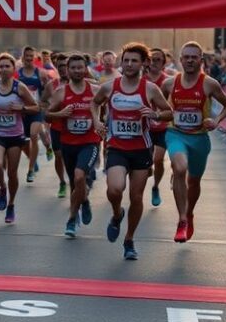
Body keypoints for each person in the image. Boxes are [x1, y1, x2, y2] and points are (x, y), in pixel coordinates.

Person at [92, 43, 173, 259]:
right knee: (114, 190)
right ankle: (117, 214)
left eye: (134, 61)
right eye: (126, 60)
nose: (129, 64)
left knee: (136, 197)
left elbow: (168, 112)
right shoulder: (110, 86)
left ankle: (129, 240)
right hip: (117, 146)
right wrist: (96, 122)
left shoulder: (150, 89)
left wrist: (155, 115)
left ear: (143, 63)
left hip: (141, 149)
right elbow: (95, 102)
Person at [162, 41, 226, 243]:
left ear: (201, 60)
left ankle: (190, 213)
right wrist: (157, 116)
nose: (190, 60)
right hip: (175, 134)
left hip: (200, 139)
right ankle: (182, 220)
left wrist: (216, 120)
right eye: (187, 57)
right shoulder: (169, 83)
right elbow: (158, 106)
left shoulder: (209, 84)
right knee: (179, 167)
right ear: (181, 60)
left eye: (195, 57)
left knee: (193, 181)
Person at [47, 53, 102, 239]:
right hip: (68, 143)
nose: (77, 71)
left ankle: (71, 219)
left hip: (90, 142)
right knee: (74, 184)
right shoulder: (61, 92)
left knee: (80, 177)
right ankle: (84, 200)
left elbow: (107, 109)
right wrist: (60, 113)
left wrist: (102, 123)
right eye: (74, 68)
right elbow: (47, 115)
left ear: (85, 69)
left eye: (80, 67)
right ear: (67, 70)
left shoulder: (95, 90)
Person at [0, 53, 38, 224]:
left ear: (14, 69)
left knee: (12, 173)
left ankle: (11, 204)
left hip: (15, 136)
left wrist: (22, 108)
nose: (4, 69)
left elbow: (36, 108)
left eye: (8, 66)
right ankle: (2, 187)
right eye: (1, 66)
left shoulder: (19, 88)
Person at [17, 45, 53, 182]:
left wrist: (45, 104)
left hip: (36, 110)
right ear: (23, 57)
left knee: (34, 135)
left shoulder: (41, 73)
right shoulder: (17, 73)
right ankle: (35, 156)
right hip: (22, 111)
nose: (28, 58)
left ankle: (30, 170)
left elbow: (47, 90)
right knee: (24, 142)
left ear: (34, 58)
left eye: (31, 56)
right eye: (26, 56)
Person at [146, 47, 170, 207]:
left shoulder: (168, 81)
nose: (154, 62)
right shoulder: (140, 79)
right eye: (151, 59)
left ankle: (155, 187)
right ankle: (148, 170)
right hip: (143, 127)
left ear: (163, 63)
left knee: (158, 159)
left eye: (158, 60)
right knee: (146, 164)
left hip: (163, 127)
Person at [47, 53, 69, 198]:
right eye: (59, 66)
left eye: (65, 66)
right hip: (56, 127)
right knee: (59, 156)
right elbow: (43, 104)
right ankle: (62, 182)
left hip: (75, 129)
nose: (62, 69)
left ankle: (77, 181)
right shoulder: (52, 85)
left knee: (72, 158)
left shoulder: (83, 82)